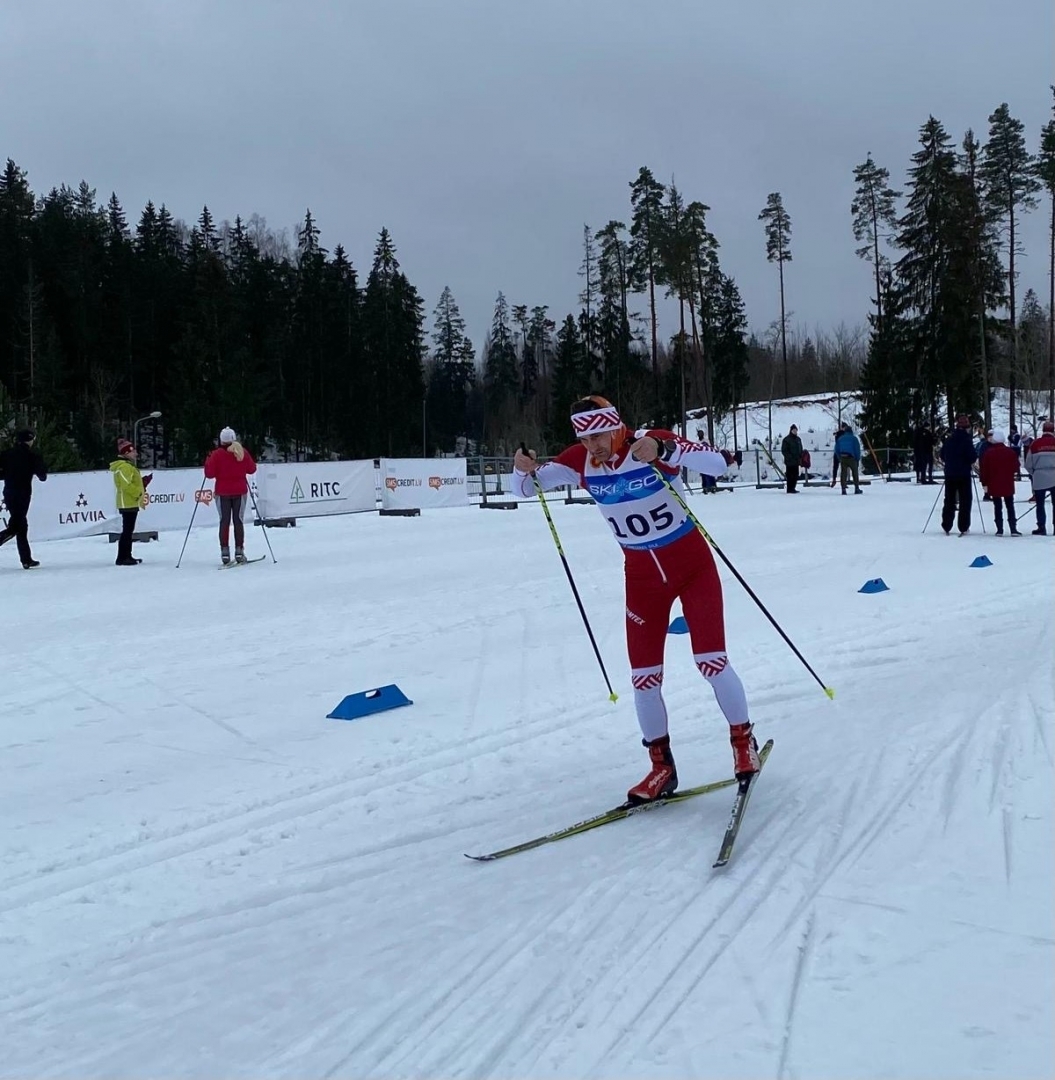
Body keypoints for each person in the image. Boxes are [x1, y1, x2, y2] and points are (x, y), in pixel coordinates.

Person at [512, 395, 759, 802]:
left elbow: (717, 463)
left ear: (617, 426)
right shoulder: (579, 461)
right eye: (585, 437)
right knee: (644, 679)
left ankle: (742, 743)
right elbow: (524, 487)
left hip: (693, 568)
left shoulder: (648, 444)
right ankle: (661, 767)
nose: (593, 445)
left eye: (599, 434)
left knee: (710, 663)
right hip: (642, 581)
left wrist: (667, 450)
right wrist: (521, 466)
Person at [203, 427, 257, 564]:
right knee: (238, 520)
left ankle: (224, 551)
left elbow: (209, 474)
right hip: (240, 491)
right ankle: (239, 550)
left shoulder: (216, 454)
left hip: (222, 492)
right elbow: (252, 469)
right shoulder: (241, 452)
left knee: (224, 521)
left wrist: (208, 460)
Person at [0, 428, 47, 569]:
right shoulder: (32, 456)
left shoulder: (6, 454)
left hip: (8, 493)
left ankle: (26, 559)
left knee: (21, 526)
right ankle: (26, 559)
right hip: (23, 495)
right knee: (16, 526)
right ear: (30, 440)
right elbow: (43, 476)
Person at [110, 438, 151, 565]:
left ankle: (127, 555)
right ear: (127, 453)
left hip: (130, 501)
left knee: (128, 530)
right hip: (127, 502)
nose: (136, 454)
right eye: (133, 452)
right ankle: (123, 557)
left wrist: (142, 483)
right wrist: (138, 492)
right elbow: (126, 485)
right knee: (127, 530)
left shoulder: (127, 467)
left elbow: (129, 483)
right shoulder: (124, 467)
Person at [940, 414, 977, 536]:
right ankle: (963, 526)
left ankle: (946, 524)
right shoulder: (967, 440)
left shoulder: (949, 439)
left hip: (950, 473)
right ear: (967, 427)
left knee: (949, 499)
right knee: (965, 500)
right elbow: (972, 457)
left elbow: (942, 454)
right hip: (963, 473)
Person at [978, 431, 1020, 536]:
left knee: (997, 506)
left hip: (994, 483)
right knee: (1010, 505)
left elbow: (984, 469)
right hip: (1007, 483)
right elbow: (1016, 467)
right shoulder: (1010, 452)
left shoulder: (989, 453)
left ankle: (999, 529)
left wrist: (984, 483)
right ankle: (1013, 528)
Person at [1024, 419, 1055, 536]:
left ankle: (1041, 527)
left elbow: (1028, 464)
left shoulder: (1035, 444)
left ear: (1043, 431)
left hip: (1039, 477)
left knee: (1040, 504)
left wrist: (1034, 473)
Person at [834, 422, 863, 494]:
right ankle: (856, 488)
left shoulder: (840, 439)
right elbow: (857, 449)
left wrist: (839, 457)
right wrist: (857, 459)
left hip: (843, 457)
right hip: (851, 458)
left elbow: (836, 449)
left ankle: (843, 489)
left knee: (843, 473)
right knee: (855, 472)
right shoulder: (854, 439)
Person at [781, 424, 803, 493]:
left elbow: (800, 449)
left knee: (796, 475)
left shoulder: (798, 439)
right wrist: (790, 457)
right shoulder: (786, 440)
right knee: (790, 475)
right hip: (790, 461)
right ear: (791, 431)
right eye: (794, 430)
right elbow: (784, 450)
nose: (795, 431)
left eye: (796, 430)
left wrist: (801, 456)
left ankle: (793, 488)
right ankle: (789, 488)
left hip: (796, 461)